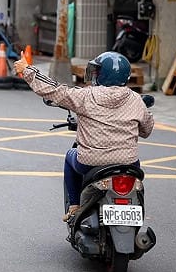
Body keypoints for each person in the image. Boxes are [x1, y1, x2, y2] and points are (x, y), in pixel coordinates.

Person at [13, 51, 153, 222]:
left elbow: (54, 89)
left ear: (102, 74)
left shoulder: (85, 96)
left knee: (69, 157)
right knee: (137, 181)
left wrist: (27, 69)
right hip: (128, 164)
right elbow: (147, 130)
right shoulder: (136, 100)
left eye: (97, 72)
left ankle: (74, 206)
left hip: (90, 163)